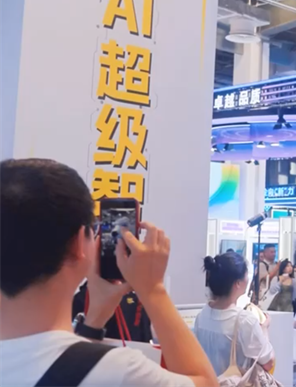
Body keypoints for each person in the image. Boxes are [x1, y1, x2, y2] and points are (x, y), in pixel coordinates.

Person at [0, 158, 218, 386]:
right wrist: (153, 290)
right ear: (78, 243)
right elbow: (206, 383)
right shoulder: (119, 371)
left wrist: (95, 319)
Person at [194, 252, 275, 376]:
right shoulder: (244, 320)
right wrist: (264, 329)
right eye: (246, 275)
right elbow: (268, 362)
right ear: (237, 283)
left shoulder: (202, 316)